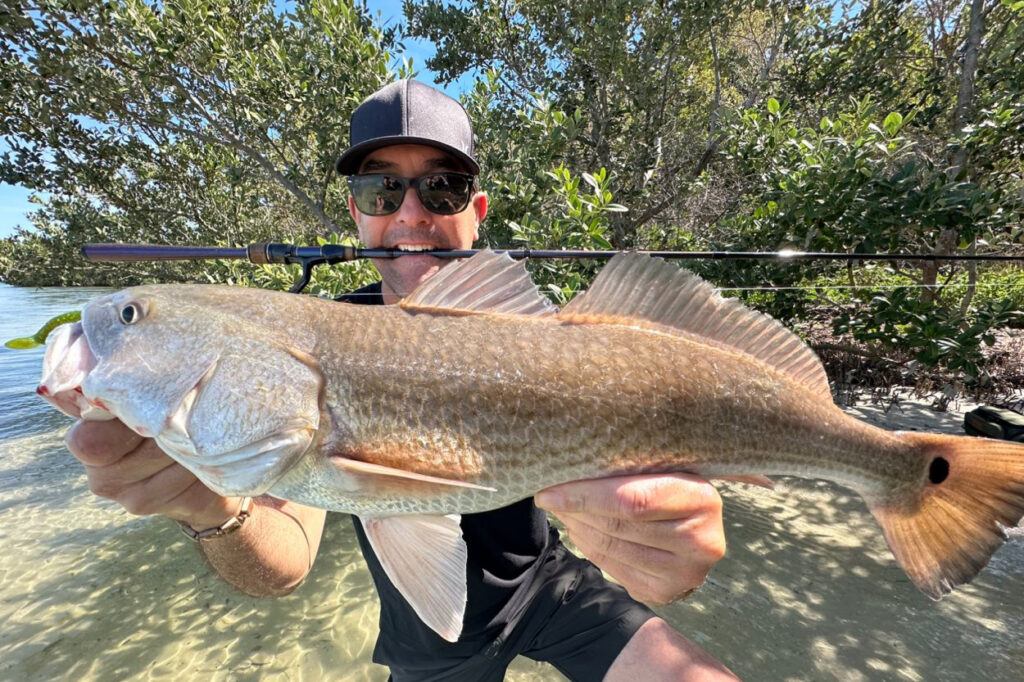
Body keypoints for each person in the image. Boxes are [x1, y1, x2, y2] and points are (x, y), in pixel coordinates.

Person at [66, 79, 736, 681]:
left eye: (440, 187)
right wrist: (211, 508)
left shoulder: (551, 339)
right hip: (427, 645)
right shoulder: (322, 336)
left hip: (552, 586)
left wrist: (665, 543)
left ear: (476, 210)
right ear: (356, 215)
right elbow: (288, 560)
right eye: (380, 189)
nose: (411, 213)